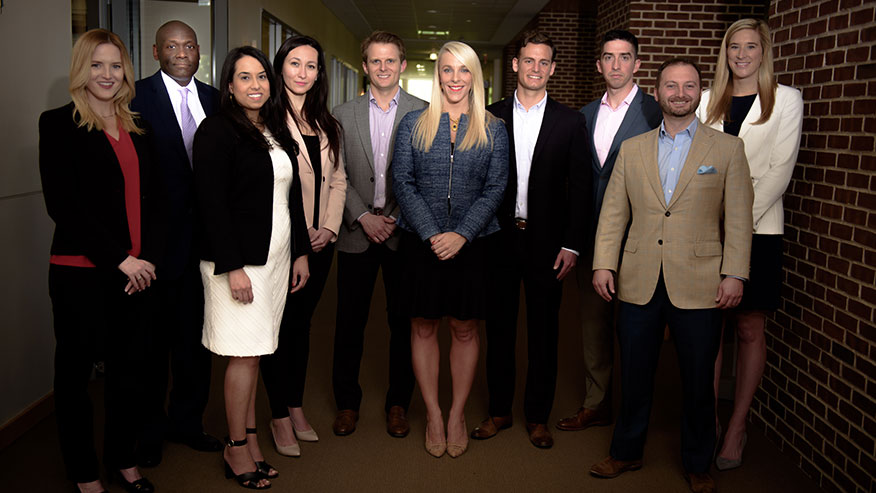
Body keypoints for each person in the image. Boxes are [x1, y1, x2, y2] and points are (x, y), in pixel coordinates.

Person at [588, 58, 753, 493]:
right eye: (670, 86)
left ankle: (698, 462)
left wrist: (734, 273)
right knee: (634, 373)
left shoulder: (726, 149)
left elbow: (738, 218)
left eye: (689, 86)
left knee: (699, 379)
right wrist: (604, 262)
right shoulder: (634, 148)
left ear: (700, 91)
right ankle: (625, 453)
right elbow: (613, 214)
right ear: (656, 92)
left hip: (700, 282)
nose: (680, 93)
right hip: (639, 277)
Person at [39, 28, 164, 493]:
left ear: (126, 71)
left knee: (130, 374)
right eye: (96, 65)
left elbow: (155, 203)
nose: (107, 74)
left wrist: (144, 259)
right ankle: (84, 473)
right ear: (81, 70)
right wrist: (121, 260)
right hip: (81, 274)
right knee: (74, 380)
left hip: (137, 274)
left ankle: (123, 462)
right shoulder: (57, 124)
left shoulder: (140, 127)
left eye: (115, 65)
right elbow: (64, 206)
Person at [193, 45, 310, 490]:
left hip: (276, 262)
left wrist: (299, 252)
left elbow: (290, 199)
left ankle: (252, 439)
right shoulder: (217, 131)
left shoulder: (274, 128)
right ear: (229, 85)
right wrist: (233, 267)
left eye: (261, 76)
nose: (256, 85)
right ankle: (236, 446)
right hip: (239, 266)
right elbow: (211, 204)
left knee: (258, 350)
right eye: (245, 77)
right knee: (241, 355)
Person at [472, 31, 590, 450]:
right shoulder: (489, 115)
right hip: (499, 239)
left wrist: (573, 244)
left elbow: (580, 187)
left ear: (552, 69)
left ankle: (537, 416)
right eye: (529, 61)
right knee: (499, 331)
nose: (536, 68)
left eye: (544, 62)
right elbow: (478, 181)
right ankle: (499, 411)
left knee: (544, 333)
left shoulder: (570, 120)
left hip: (548, 244)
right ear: (517, 65)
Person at [392, 41, 509, 458]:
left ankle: (457, 413)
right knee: (423, 326)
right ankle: (433, 415)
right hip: (421, 243)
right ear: (437, 74)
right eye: (447, 70)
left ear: (474, 76)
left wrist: (462, 233)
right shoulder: (413, 123)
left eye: (463, 70)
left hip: (474, 243)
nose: (455, 78)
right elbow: (402, 182)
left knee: (464, 328)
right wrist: (431, 233)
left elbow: (497, 187)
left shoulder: (493, 127)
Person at [696, 18, 803, 471]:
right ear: (725, 52)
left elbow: (779, 173)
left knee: (748, 327)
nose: (741, 54)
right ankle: (709, 422)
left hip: (759, 231)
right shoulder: (705, 102)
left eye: (750, 46)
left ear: (764, 51)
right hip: (706, 230)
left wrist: (735, 226)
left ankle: (737, 425)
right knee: (711, 329)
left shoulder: (787, 100)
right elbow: (697, 167)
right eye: (733, 46)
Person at [556, 29, 661, 434]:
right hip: (591, 239)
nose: (616, 65)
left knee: (636, 330)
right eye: (608, 57)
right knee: (593, 327)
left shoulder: (655, 112)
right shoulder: (582, 116)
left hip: (640, 241)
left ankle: (636, 413)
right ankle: (596, 403)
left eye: (624, 57)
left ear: (637, 63)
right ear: (599, 64)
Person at [131, 20, 222, 466]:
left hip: (203, 246)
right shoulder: (133, 97)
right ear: (155, 52)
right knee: (151, 347)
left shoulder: (215, 100)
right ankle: (149, 432)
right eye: (172, 45)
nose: (181, 52)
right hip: (153, 247)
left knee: (195, 343)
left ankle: (189, 422)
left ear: (199, 52)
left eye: (188, 45)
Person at [330, 31, 426, 437]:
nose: (383, 68)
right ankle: (347, 404)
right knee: (349, 322)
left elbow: (426, 176)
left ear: (402, 65)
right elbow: (337, 173)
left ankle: (398, 404)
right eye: (375, 61)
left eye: (391, 61)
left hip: (404, 235)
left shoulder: (424, 111)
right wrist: (362, 216)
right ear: (364, 66)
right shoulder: (340, 113)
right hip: (356, 233)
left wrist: (396, 217)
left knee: (403, 323)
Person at [260, 35, 347, 455]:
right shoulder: (267, 120)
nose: (303, 73)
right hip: (284, 246)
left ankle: (294, 406)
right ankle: (278, 416)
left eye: (311, 66)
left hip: (321, 244)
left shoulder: (326, 121)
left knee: (301, 326)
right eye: (295, 64)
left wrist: (329, 229)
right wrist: (300, 239)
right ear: (281, 68)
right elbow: (271, 191)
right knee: (278, 329)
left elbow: (339, 180)